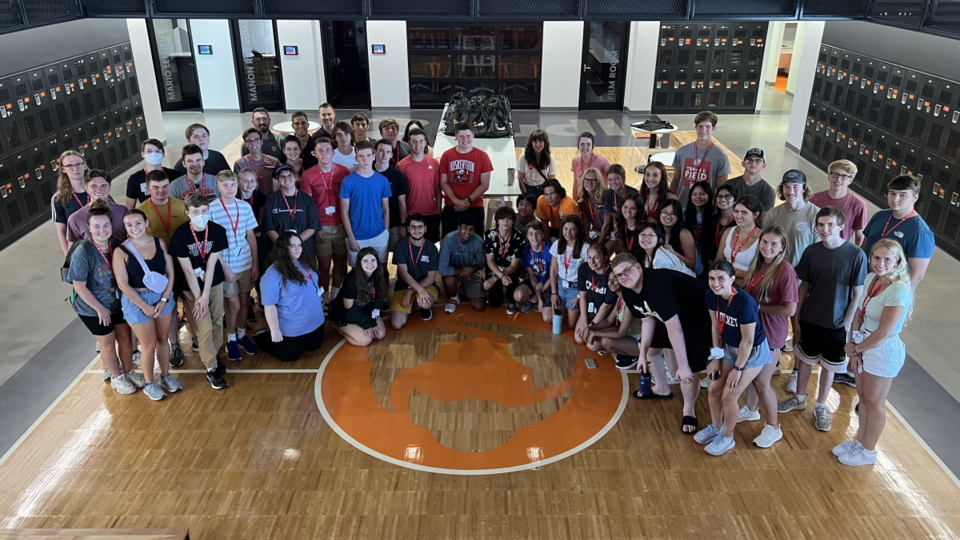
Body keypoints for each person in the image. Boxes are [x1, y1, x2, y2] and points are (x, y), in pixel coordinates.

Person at [778, 207, 867, 431]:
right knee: (805, 360)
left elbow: (857, 294)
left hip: (836, 324)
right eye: (820, 225)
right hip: (810, 318)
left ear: (840, 227)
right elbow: (804, 286)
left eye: (829, 225)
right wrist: (796, 318)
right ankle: (799, 398)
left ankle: (820, 405)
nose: (824, 229)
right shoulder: (812, 251)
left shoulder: (856, 255)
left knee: (829, 367)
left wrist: (846, 324)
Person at [612, 252, 712, 432]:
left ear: (638, 267)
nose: (623, 277)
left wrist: (682, 366)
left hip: (699, 318)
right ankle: (662, 388)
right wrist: (642, 354)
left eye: (626, 271)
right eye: (619, 275)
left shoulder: (656, 286)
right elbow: (647, 319)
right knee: (649, 349)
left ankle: (688, 410)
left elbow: (675, 329)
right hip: (675, 318)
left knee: (688, 369)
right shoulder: (628, 291)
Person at [837, 239, 914, 466]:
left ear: (897, 262)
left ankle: (868, 451)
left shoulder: (898, 289)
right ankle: (859, 443)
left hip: (882, 349)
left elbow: (883, 332)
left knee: (874, 402)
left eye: (887, 260)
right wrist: (854, 346)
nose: (880, 264)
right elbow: (860, 312)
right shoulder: (871, 278)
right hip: (863, 343)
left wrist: (855, 349)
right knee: (864, 399)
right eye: (876, 258)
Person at [696, 260, 779, 456]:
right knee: (714, 388)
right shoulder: (711, 295)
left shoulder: (745, 303)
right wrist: (716, 357)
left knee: (729, 394)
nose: (716, 283)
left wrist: (738, 369)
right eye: (712, 279)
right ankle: (716, 427)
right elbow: (716, 327)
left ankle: (727, 436)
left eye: (721, 279)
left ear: (732, 279)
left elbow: (748, 342)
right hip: (729, 348)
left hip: (751, 352)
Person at [66, 199, 139, 395]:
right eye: (96, 226)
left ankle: (128, 370)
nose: (102, 230)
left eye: (106, 225)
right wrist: (100, 309)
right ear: (89, 228)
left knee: (126, 338)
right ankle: (117, 377)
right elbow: (79, 287)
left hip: (116, 303)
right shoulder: (83, 251)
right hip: (92, 308)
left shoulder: (116, 243)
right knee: (107, 342)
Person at [113, 209, 181, 400]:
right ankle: (150, 383)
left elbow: (170, 273)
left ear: (146, 222)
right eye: (129, 225)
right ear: (125, 227)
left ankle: (166, 376)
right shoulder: (121, 251)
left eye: (138, 223)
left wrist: (164, 299)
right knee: (148, 345)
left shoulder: (160, 242)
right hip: (137, 301)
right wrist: (144, 306)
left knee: (163, 339)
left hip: (162, 297)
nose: (134, 228)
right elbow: (123, 284)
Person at [738, 226, 797, 431]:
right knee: (753, 377)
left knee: (762, 383)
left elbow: (789, 309)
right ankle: (751, 409)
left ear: (782, 247)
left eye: (774, 244)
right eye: (764, 242)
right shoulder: (758, 263)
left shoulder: (785, 271)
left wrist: (756, 306)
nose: (768, 247)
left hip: (771, 334)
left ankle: (774, 427)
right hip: (754, 329)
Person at [170, 193, 230, 390]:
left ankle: (215, 355)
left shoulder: (218, 231)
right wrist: (199, 298)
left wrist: (205, 295)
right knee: (203, 324)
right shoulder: (180, 236)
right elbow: (187, 270)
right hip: (192, 286)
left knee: (217, 320)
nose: (200, 215)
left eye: (204, 211)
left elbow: (212, 265)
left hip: (213, 282)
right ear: (187, 213)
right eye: (195, 212)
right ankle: (211, 367)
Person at [136, 170, 192, 364]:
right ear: (148, 189)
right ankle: (175, 344)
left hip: (183, 262)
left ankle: (196, 339)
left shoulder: (181, 205)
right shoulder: (141, 211)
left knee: (189, 302)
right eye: (156, 188)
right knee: (168, 306)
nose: (161, 191)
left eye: (165, 187)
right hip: (158, 269)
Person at [209, 171, 260, 362]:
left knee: (245, 302)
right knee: (234, 305)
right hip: (227, 267)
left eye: (233, 184)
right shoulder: (212, 209)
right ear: (219, 187)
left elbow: (251, 236)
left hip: (245, 263)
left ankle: (241, 336)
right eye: (226, 185)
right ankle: (230, 339)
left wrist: (255, 263)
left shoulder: (245, 207)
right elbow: (212, 243)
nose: (230, 188)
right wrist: (224, 268)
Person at [255, 231, 326, 362]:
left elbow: (313, 284)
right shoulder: (272, 275)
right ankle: (263, 335)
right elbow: (269, 305)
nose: (297, 248)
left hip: (315, 322)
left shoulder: (304, 262)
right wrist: (275, 330)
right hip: (293, 327)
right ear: (283, 248)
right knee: (290, 356)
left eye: (299, 245)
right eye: (293, 246)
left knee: (314, 346)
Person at [300, 137, 351, 305]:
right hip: (321, 227)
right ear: (315, 154)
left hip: (341, 225)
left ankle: (335, 295)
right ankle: (323, 297)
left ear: (333, 152)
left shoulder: (344, 172)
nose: (324, 153)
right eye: (320, 150)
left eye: (327, 150)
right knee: (323, 265)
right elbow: (307, 206)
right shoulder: (308, 175)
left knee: (340, 262)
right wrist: (315, 228)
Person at [860, 174, 933, 291]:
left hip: (889, 288)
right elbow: (863, 249)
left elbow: (916, 275)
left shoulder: (920, 232)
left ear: (915, 198)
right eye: (892, 193)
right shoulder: (879, 216)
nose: (895, 199)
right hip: (865, 280)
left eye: (903, 195)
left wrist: (899, 298)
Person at [340, 141, 391, 265]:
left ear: (374, 156)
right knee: (357, 273)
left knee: (380, 270)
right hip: (356, 236)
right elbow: (344, 213)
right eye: (361, 156)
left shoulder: (383, 180)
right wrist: (351, 238)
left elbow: (385, 209)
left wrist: (386, 233)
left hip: (379, 234)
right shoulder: (348, 181)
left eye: (368, 155)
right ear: (356, 158)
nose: (365, 159)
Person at [439, 124, 492, 236]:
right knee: (449, 241)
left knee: (475, 242)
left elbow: (485, 184)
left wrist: (467, 200)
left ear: (473, 136)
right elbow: (443, 182)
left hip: (474, 205)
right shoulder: (447, 156)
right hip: (452, 205)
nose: (465, 139)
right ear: (456, 137)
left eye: (468, 136)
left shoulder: (483, 156)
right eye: (461, 136)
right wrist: (456, 201)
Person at [762, 169, 820, 267]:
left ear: (804, 189)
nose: (790, 191)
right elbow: (763, 243)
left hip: (802, 277)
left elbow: (819, 251)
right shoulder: (773, 213)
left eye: (795, 187)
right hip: (774, 273)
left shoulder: (817, 215)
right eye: (786, 187)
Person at [670, 111, 731, 205]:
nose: (703, 130)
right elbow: (675, 181)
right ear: (696, 128)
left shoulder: (721, 156)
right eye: (700, 126)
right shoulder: (682, 152)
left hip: (706, 209)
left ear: (714, 129)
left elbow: (721, 189)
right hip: (683, 205)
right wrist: (670, 202)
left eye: (707, 127)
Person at [331, 247, 389, 346]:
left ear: (377, 261)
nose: (370, 264)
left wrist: (373, 321)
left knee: (380, 334)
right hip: (347, 314)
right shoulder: (351, 280)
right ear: (359, 263)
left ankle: (359, 327)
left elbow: (379, 300)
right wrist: (366, 324)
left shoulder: (380, 275)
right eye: (365, 261)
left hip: (366, 310)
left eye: (373, 260)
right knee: (365, 341)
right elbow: (348, 308)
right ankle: (340, 327)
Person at [263, 164, 321, 262]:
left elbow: (312, 227)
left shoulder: (307, 199)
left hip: (303, 249)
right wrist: (285, 246)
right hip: (280, 250)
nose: (286, 178)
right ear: (278, 179)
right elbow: (269, 229)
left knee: (305, 276)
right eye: (282, 176)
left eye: (290, 175)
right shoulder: (271, 200)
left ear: (295, 177)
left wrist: (295, 245)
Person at [390, 214, 440, 327]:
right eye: (413, 227)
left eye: (420, 227)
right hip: (404, 286)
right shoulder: (399, 245)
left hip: (426, 286)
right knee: (396, 324)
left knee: (425, 302)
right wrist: (411, 290)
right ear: (408, 229)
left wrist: (412, 291)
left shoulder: (431, 247)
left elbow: (431, 278)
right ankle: (414, 303)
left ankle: (422, 307)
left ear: (425, 229)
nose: (417, 230)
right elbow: (403, 273)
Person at [397, 127, 442, 243]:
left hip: (431, 214)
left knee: (431, 247)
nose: (418, 144)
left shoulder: (434, 164)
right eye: (414, 141)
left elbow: (437, 189)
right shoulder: (401, 166)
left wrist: (438, 211)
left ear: (426, 142)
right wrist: (403, 219)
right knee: (413, 250)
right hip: (412, 215)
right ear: (409, 143)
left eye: (421, 141)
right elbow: (400, 196)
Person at [810, 160, 868, 245]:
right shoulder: (813, 199)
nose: (838, 179)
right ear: (829, 177)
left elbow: (859, 236)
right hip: (814, 249)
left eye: (844, 176)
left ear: (850, 181)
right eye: (835, 174)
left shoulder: (858, 205)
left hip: (840, 252)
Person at [439, 214, 487, 313]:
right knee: (449, 281)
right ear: (458, 227)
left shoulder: (478, 241)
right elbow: (442, 269)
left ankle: (464, 288)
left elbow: (482, 263)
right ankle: (454, 297)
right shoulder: (448, 240)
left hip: (472, 273)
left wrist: (473, 269)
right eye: (465, 228)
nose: (468, 232)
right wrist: (464, 272)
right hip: (453, 273)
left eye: (471, 229)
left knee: (480, 306)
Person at [483, 206, 526, 314]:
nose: (505, 221)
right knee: (495, 303)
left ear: (513, 221)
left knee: (512, 293)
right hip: (494, 269)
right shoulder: (489, 234)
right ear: (497, 220)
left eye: (509, 218)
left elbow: (513, 266)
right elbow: (490, 261)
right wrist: (499, 276)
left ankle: (513, 300)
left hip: (510, 271)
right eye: (502, 218)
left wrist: (495, 278)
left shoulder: (520, 238)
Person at [550, 215, 590, 331]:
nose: (568, 232)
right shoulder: (557, 244)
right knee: (556, 322)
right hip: (561, 286)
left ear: (578, 230)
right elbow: (553, 269)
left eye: (573, 229)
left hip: (576, 288)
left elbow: (588, 275)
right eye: (566, 228)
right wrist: (554, 293)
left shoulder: (585, 248)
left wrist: (579, 296)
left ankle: (583, 314)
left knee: (571, 326)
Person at [575, 243, 618, 351]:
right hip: (590, 309)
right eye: (589, 257)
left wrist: (591, 326)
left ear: (605, 258)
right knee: (579, 339)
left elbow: (607, 306)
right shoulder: (584, 268)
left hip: (604, 315)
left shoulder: (612, 275)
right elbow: (583, 295)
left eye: (596, 257)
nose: (592, 262)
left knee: (592, 346)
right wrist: (584, 321)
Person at [67, 170, 127, 243]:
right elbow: (72, 251)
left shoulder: (122, 211)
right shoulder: (75, 219)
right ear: (86, 189)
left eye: (103, 186)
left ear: (110, 187)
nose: (99, 190)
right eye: (93, 186)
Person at [375, 139, 410, 256]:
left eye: (387, 152)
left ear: (391, 155)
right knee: (376, 258)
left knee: (399, 257)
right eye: (381, 151)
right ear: (375, 152)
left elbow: (402, 203)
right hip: (373, 225)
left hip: (394, 225)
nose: (384, 155)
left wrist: (403, 225)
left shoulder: (397, 175)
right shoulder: (367, 172)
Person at [717, 195, 763, 283]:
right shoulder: (729, 231)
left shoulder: (762, 239)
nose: (738, 216)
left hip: (746, 289)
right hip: (724, 284)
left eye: (744, 212)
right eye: (736, 211)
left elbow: (762, 274)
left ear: (756, 215)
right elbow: (719, 259)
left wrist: (735, 272)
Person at [514, 222, 553, 321]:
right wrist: (538, 298)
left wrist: (539, 294)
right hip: (534, 282)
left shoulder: (550, 249)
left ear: (543, 234)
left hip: (548, 283)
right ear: (527, 236)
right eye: (531, 233)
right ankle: (532, 300)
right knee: (517, 296)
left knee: (548, 319)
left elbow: (553, 276)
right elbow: (532, 276)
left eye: (538, 233)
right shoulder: (526, 250)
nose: (534, 237)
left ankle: (537, 298)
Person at [53, 150, 89, 256]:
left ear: (85, 165)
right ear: (63, 169)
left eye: (78, 164)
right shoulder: (59, 198)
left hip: (104, 242)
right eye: (69, 165)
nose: (75, 168)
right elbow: (62, 231)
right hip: (80, 249)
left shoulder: (98, 188)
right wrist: (68, 257)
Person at [125, 139, 180, 208]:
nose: (153, 154)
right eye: (149, 151)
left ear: (163, 154)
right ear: (143, 154)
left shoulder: (174, 175)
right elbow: (130, 208)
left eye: (157, 151)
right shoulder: (135, 179)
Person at [682, 181, 719, 278]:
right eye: (694, 194)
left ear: (709, 195)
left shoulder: (716, 214)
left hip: (708, 257)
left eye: (702, 194)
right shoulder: (684, 213)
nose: (698, 197)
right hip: (689, 255)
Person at [599, 164, 637, 248]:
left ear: (623, 178)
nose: (612, 182)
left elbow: (638, 217)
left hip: (633, 229)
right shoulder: (609, 194)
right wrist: (619, 237)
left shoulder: (633, 193)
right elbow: (615, 217)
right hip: (620, 229)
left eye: (616, 179)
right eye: (610, 180)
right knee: (620, 252)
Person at [234, 128, 280, 196]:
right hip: (250, 201)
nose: (253, 143)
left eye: (257, 140)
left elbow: (279, 186)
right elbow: (237, 188)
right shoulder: (239, 164)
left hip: (270, 201)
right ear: (245, 144)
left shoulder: (274, 162)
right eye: (249, 141)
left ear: (261, 141)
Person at [658, 200, 697, 273]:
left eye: (673, 213)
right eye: (665, 212)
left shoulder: (684, 234)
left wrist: (673, 253)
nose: (668, 216)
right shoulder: (655, 231)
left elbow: (692, 264)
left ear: (678, 216)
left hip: (684, 275)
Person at [517, 129, 556, 198]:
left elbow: (551, 179)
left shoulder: (550, 158)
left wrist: (549, 194)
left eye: (540, 141)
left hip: (544, 189)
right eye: (535, 141)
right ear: (531, 143)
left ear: (545, 142)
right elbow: (520, 179)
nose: (538, 144)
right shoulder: (524, 157)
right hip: (529, 188)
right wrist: (525, 195)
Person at [571, 131, 611, 196]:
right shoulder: (575, 160)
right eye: (582, 144)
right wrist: (575, 202)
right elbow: (575, 183)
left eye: (588, 144)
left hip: (598, 201)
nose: (585, 147)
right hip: (582, 199)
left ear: (592, 147)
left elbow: (614, 180)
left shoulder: (602, 162)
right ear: (578, 146)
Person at [615, 193, 643, 258]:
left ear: (638, 210)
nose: (628, 211)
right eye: (625, 207)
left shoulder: (644, 227)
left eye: (633, 208)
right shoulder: (620, 222)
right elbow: (620, 242)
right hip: (627, 260)